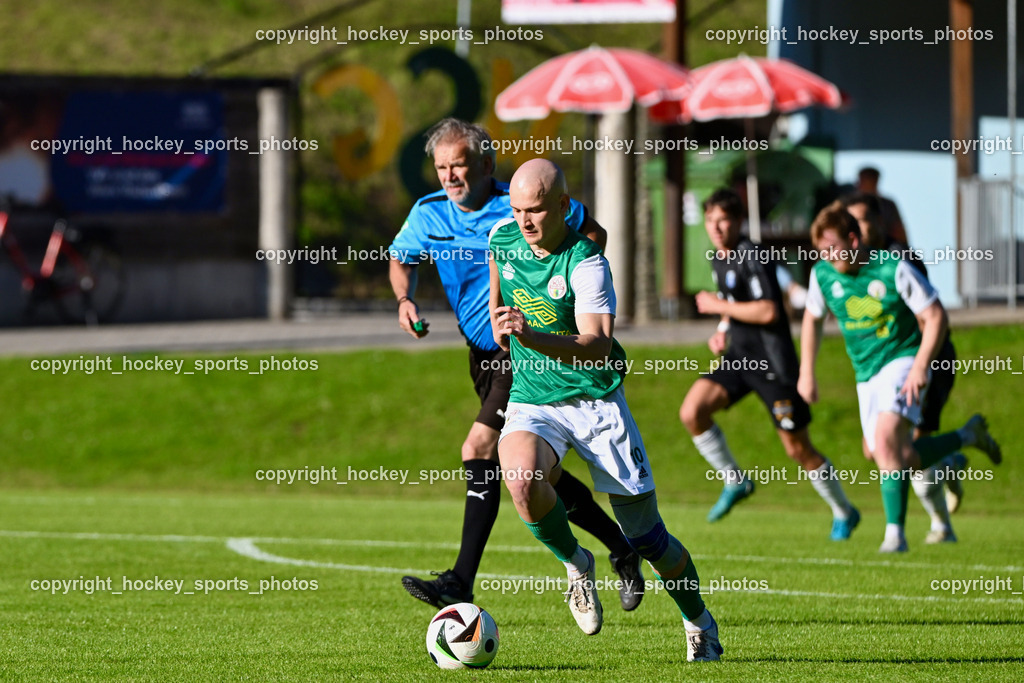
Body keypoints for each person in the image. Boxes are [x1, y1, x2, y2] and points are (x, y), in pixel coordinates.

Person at [388, 118, 644, 611]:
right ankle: (620, 546)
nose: (449, 176)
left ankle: (460, 581)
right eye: (441, 168)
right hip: (481, 356)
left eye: (459, 165)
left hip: (526, 355)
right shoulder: (427, 213)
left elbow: (591, 234)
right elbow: (402, 258)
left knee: (478, 448)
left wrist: (564, 301)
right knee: (535, 473)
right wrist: (405, 299)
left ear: (486, 164)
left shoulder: (524, 202)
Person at [489, 158, 722, 661]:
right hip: (534, 400)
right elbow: (499, 298)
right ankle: (577, 564)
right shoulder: (502, 240)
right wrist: (502, 328)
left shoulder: (586, 262)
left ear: (562, 206)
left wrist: (531, 335)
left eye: (535, 210)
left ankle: (699, 621)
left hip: (596, 404)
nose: (524, 221)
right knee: (522, 480)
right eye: (517, 210)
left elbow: (596, 345)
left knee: (648, 540)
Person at [798, 204, 1002, 552]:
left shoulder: (893, 267)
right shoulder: (823, 275)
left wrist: (921, 366)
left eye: (832, 248)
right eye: (821, 251)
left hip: (903, 359)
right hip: (865, 372)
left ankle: (895, 536)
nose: (827, 256)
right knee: (884, 453)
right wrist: (806, 372)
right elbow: (812, 318)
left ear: (853, 240)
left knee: (886, 439)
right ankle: (965, 438)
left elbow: (935, 315)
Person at [679, 189, 859, 539]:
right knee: (692, 412)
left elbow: (768, 311)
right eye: (710, 220)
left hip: (773, 365)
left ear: (739, 221)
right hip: (738, 360)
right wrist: (722, 330)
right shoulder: (719, 258)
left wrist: (718, 307)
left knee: (797, 449)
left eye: (723, 220)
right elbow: (733, 302)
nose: (716, 228)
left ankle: (844, 510)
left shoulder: (754, 255)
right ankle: (735, 481)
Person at [843, 194, 966, 543]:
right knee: (878, 450)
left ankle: (940, 526)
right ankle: (950, 456)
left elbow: (928, 317)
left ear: (879, 222)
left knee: (903, 448)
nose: (856, 229)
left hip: (927, 361)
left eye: (862, 220)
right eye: (850, 222)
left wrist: (921, 366)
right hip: (888, 367)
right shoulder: (857, 265)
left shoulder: (899, 259)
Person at [856, 167, 908, 245]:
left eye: (864, 180)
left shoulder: (887, 205)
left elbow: (899, 232)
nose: (859, 184)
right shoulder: (852, 204)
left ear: (875, 181)